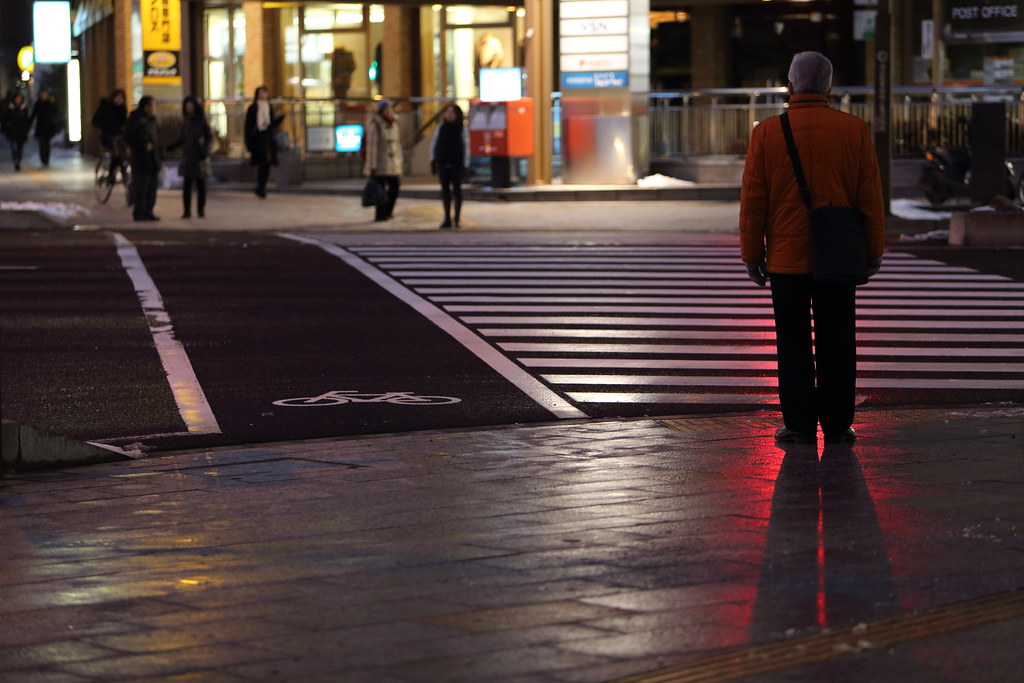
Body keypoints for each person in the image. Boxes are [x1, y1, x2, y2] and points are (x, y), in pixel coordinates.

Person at [739, 51, 884, 445]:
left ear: (790, 86)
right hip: (838, 254)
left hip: (787, 259)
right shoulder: (853, 130)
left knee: (793, 343)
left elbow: (754, 201)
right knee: (838, 340)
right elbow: (869, 196)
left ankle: (799, 423)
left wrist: (753, 256)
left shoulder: (767, 133)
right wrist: (873, 251)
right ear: (829, 87)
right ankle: (839, 424)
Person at [167, 96, 213, 218]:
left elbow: (209, 138)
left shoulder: (201, 121)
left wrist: (204, 151)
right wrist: (169, 147)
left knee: (200, 185)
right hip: (188, 156)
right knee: (187, 185)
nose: (188, 107)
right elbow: (181, 139)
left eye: (190, 105)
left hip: (199, 157)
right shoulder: (185, 121)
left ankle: (200, 209)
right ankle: (187, 210)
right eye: (187, 105)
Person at [429, 103, 469, 229]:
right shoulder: (441, 128)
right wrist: (432, 161)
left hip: (456, 164)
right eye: (447, 112)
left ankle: (456, 219)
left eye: (452, 112)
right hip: (443, 163)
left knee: (457, 191)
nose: (449, 115)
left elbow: (467, 148)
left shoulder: (462, 129)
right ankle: (447, 218)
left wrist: (465, 164)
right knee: (445, 192)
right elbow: (434, 145)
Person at [363, 99, 402, 222]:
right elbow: (372, 147)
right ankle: (380, 215)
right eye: (386, 109)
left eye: (390, 109)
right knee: (379, 190)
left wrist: (399, 160)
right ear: (381, 111)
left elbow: (397, 144)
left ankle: (388, 211)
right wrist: (372, 165)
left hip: (393, 163)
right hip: (380, 163)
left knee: (395, 186)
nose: (389, 112)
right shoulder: (375, 125)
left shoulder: (394, 124)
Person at [124, 95, 162, 221]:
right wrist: (143, 145)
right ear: (146, 107)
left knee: (152, 187)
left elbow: (158, 139)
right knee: (141, 186)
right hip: (140, 159)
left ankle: (148, 211)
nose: (154, 108)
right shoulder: (135, 119)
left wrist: (160, 155)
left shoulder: (153, 120)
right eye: (153, 106)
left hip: (153, 158)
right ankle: (139, 212)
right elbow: (129, 137)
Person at [244, 86, 283, 198]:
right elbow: (248, 126)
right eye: (260, 93)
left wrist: (279, 119)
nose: (262, 95)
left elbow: (272, 125)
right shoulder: (252, 108)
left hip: (267, 138)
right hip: (257, 138)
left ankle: (261, 187)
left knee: (267, 164)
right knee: (262, 163)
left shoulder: (269, 107)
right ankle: (260, 187)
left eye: (264, 93)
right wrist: (248, 142)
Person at [91, 88, 128, 182]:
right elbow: (95, 121)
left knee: (123, 154)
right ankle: (112, 175)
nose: (119, 99)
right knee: (116, 154)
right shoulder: (105, 106)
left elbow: (124, 122)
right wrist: (107, 126)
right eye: (118, 97)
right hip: (107, 136)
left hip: (119, 137)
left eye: (121, 98)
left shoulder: (123, 109)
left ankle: (123, 173)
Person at [30, 89, 60, 167]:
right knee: (42, 143)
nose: (43, 96)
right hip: (41, 126)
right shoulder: (38, 104)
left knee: (47, 143)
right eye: (42, 94)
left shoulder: (50, 103)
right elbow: (33, 114)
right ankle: (43, 158)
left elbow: (55, 112)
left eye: (45, 94)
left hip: (49, 126)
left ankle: (46, 159)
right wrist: (28, 124)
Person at [2, 92, 31, 171]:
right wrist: (6, 128)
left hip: (21, 132)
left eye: (19, 99)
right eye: (17, 99)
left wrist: (26, 129)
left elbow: (27, 120)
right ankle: (15, 160)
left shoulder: (24, 108)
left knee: (20, 148)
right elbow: (4, 119)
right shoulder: (10, 108)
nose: (18, 100)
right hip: (12, 132)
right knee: (14, 147)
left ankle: (18, 160)